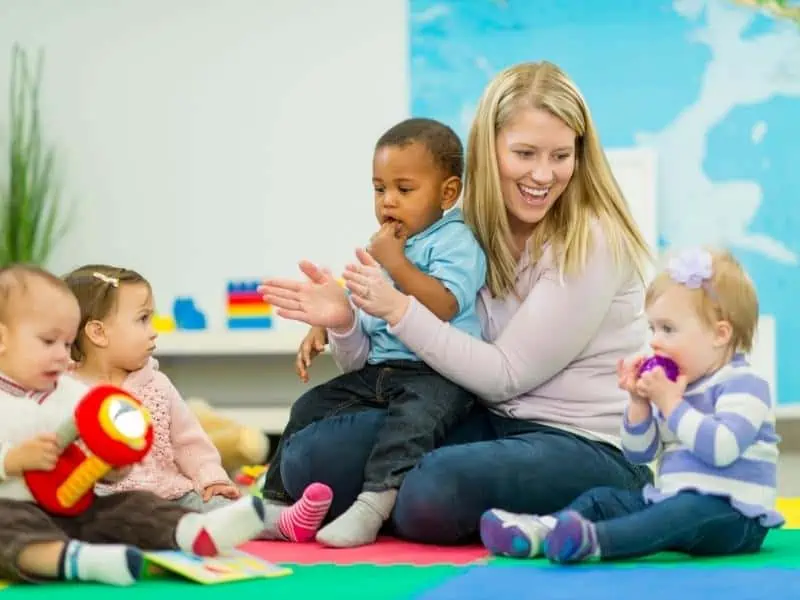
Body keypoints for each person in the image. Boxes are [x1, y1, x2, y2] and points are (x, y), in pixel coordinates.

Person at [260, 60, 654, 545]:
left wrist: (399, 308)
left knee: (432, 490)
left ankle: (614, 499)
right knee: (309, 459)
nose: (543, 174)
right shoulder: (460, 231)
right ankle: (400, 504)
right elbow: (377, 358)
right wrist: (345, 320)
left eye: (560, 155)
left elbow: (506, 374)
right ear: (489, 153)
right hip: (485, 420)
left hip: (578, 440)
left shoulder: (592, 240)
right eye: (525, 153)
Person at [260, 118, 487, 547]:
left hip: (437, 376)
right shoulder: (388, 246)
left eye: (404, 189)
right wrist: (327, 325)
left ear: (447, 193)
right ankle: (276, 504)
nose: (388, 202)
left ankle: (373, 505)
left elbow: (444, 304)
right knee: (310, 405)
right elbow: (367, 310)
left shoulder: (454, 240)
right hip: (382, 371)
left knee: (409, 426)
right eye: (379, 189)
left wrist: (396, 262)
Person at [481, 248, 782, 563]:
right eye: (653, 328)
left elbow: (722, 448)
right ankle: (542, 531)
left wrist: (671, 404)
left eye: (668, 329)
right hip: (671, 502)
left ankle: (596, 542)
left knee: (684, 511)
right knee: (604, 499)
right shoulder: (677, 387)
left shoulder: (745, 386)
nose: (654, 340)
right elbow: (640, 454)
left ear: (720, 334)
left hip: (735, 515)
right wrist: (638, 403)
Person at [0, 265, 267, 586]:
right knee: (6, 525)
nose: (62, 356)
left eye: (67, 344)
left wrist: (112, 466)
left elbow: (93, 454)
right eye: (48, 342)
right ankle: (76, 561)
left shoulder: (72, 393)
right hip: (15, 513)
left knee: (132, 504)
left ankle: (193, 532)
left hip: (71, 509)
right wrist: (11, 460)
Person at [63, 265, 332, 540]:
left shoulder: (156, 384)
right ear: (98, 333)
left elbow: (188, 441)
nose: (154, 331)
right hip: (105, 503)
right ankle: (184, 535)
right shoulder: (64, 392)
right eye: (142, 319)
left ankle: (283, 521)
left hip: (172, 495)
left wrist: (211, 478)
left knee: (221, 507)